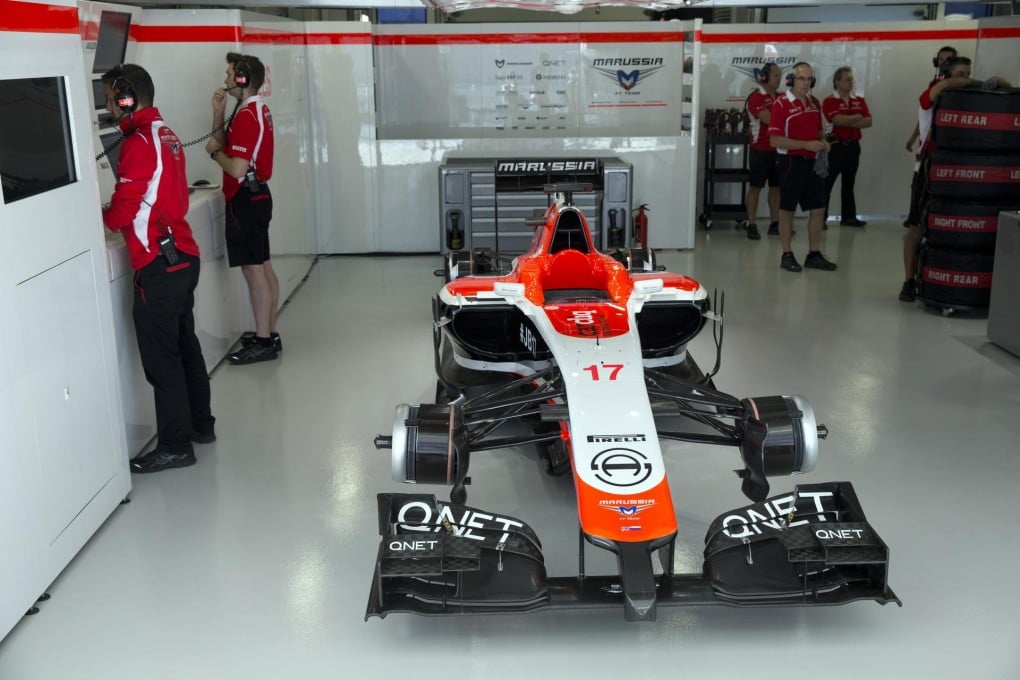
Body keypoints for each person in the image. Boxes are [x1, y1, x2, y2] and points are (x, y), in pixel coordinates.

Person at [100, 64, 215, 473]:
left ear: (128, 97)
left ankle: (174, 446)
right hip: (183, 257)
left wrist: (94, 220)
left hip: (157, 266)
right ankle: (201, 425)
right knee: (186, 348)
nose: (109, 105)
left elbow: (123, 209)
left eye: (112, 96)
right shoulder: (164, 133)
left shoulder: (136, 141)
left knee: (162, 361)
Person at [899, 57, 1013, 302]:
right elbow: (940, 89)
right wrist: (958, 81)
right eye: (959, 73)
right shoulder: (932, 95)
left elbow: (1007, 85)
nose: (964, 78)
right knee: (916, 228)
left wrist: (986, 82)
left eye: (968, 73)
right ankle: (909, 280)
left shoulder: (968, 97)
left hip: (957, 174)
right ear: (945, 75)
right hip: (928, 171)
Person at [205, 52, 281, 364]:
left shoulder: (249, 116)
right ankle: (269, 333)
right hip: (257, 196)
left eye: (229, 75)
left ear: (242, 80)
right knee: (262, 266)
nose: (224, 80)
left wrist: (213, 155)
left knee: (254, 271)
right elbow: (223, 142)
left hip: (245, 199)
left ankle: (263, 341)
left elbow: (236, 168)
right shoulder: (252, 111)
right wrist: (218, 113)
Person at [768, 61, 836, 273]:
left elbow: (820, 131)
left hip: (813, 163)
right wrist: (805, 145)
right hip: (790, 163)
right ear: (791, 80)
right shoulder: (781, 104)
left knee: (818, 208)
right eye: (801, 79)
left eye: (809, 79)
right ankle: (787, 254)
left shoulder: (814, 102)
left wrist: (824, 142)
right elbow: (775, 141)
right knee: (787, 210)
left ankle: (813, 254)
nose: (806, 83)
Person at [822, 67, 872, 227]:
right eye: (847, 79)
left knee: (849, 184)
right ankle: (820, 218)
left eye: (851, 79)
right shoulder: (829, 101)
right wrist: (857, 117)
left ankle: (848, 217)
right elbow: (837, 120)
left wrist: (850, 119)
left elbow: (869, 121)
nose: (851, 82)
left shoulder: (858, 99)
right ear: (837, 81)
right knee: (827, 184)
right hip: (835, 147)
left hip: (853, 147)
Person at [740, 62, 782, 240]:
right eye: (775, 76)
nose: (779, 79)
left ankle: (775, 223)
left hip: (779, 148)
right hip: (761, 149)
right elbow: (769, 119)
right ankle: (752, 224)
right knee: (755, 188)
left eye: (780, 76)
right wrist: (787, 120)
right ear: (764, 77)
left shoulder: (782, 97)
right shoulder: (756, 97)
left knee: (776, 188)